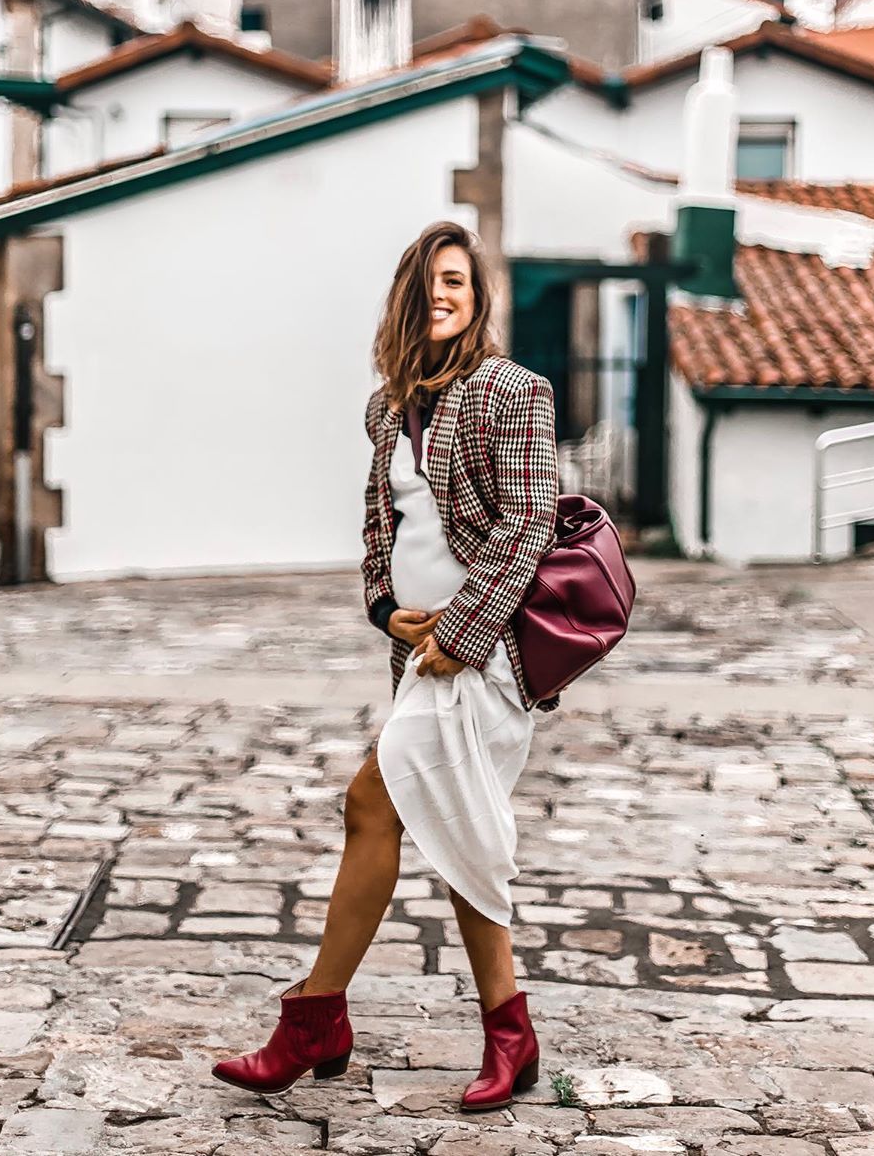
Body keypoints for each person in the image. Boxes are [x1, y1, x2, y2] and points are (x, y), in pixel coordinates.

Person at [212, 220, 560, 1112]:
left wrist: (464, 634)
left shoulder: (514, 393)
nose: (443, 295)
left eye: (458, 282)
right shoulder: (388, 405)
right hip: (419, 659)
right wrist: (383, 607)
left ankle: (314, 1017)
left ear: (478, 300)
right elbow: (382, 526)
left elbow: (525, 525)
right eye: (428, 283)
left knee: (376, 803)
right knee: (455, 826)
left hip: (485, 658)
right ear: (407, 299)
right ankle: (506, 1035)